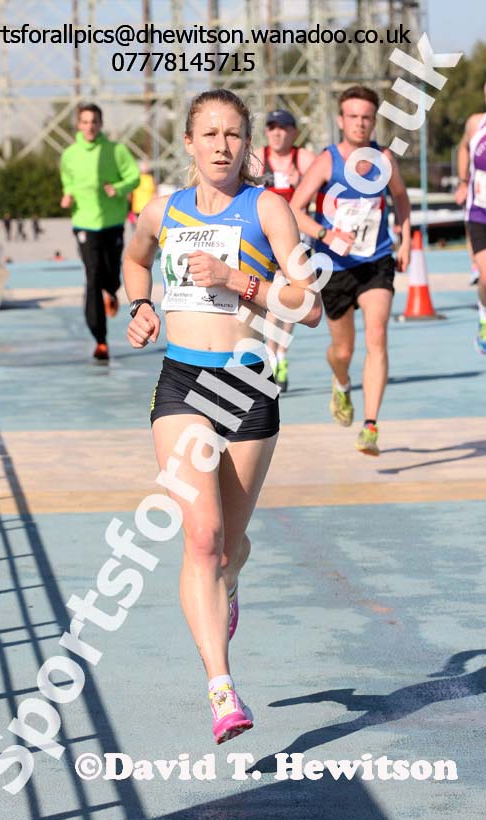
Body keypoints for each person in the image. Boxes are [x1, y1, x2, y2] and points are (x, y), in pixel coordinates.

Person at [123, 89, 321, 743]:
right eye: (208, 134)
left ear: (247, 145)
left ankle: (232, 578)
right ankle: (221, 687)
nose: (221, 146)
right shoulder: (163, 209)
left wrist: (240, 281)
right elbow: (133, 259)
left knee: (229, 547)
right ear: (187, 142)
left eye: (233, 135)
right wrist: (140, 306)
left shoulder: (267, 209)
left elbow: (308, 304)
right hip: (181, 383)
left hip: (247, 385)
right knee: (200, 538)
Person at [291, 85, 411, 456]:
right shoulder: (327, 161)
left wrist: (404, 238)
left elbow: (401, 200)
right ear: (341, 120)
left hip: (376, 260)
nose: (360, 123)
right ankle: (341, 383)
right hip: (335, 266)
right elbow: (295, 208)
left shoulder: (384, 158)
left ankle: (371, 426)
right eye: (353, 117)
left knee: (377, 333)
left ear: (374, 122)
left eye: (367, 118)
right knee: (343, 351)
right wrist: (326, 232)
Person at [60, 102, 140, 361]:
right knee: (92, 274)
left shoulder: (116, 151)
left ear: (100, 124)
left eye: (94, 121)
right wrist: (67, 195)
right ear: (78, 125)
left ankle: (112, 290)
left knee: (111, 274)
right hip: (84, 222)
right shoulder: (70, 154)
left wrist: (117, 189)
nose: (89, 126)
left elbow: (134, 177)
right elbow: (68, 180)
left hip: (113, 220)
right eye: (84, 122)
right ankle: (100, 340)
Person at [256, 110, 315, 391]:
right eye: (272, 128)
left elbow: (321, 190)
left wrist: (299, 184)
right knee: (271, 295)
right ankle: (270, 352)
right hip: (266, 238)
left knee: (293, 297)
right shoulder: (257, 158)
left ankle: (281, 353)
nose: (277, 133)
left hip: (297, 239)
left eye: (283, 128)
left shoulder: (303, 159)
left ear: (293, 132)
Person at [455, 81, 486, 354]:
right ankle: (484, 318)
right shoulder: (476, 124)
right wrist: (463, 181)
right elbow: (463, 148)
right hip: (480, 211)